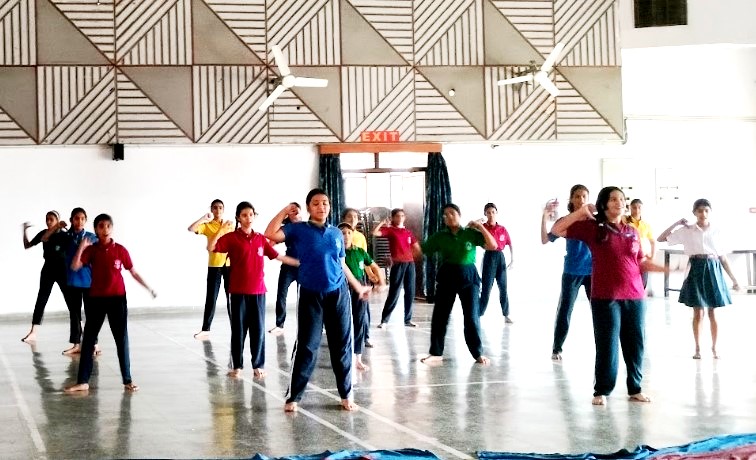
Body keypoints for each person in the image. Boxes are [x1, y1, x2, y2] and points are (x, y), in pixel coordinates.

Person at [552, 186, 665, 405]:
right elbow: (557, 229)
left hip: (634, 296)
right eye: (613, 199)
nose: (618, 202)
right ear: (603, 204)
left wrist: (666, 269)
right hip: (606, 297)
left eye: (621, 199)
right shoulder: (593, 228)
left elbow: (640, 262)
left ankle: (635, 388)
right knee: (607, 345)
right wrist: (582, 211)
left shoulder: (632, 231)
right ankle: (601, 390)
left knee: (636, 345)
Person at [265, 189, 371, 412]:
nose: (321, 207)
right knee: (307, 346)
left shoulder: (336, 233)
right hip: (311, 294)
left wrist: (358, 286)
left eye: (325, 203)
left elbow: (341, 264)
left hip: (338, 294)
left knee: (342, 346)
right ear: (308, 207)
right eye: (315, 203)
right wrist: (285, 210)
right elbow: (270, 234)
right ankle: (294, 397)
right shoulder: (298, 229)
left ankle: (346, 394)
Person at [65, 213, 156, 393]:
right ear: (96, 230)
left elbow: (133, 272)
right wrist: (82, 246)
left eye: (108, 226)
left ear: (112, 228)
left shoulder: (120, 250)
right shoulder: (91, 250)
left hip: (117, 300)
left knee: (121, 339)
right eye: (101, 226)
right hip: (96, 299)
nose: (105, 229)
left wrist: (148, 288)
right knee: (88, 340)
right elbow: (74, 266)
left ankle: (127, 380)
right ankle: (83, 381)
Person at [208, 202, 298, 379]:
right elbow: (211, 248)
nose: (248, 218)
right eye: (244, 215)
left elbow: (277, 256)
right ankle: (237, 366)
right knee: (238, 331)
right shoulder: (231, 238)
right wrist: (220, 231)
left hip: (258, 292)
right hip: (237, 292)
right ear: (238, 218)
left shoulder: (259, 239)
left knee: (258, 330)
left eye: (251, 214)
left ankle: (258, 365)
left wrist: (298, 263)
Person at [657, 199, 739, 360]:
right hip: (695, 268)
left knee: (713, 312)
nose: (703, 214)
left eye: (706, 210)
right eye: (700, 210)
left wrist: (734, 279)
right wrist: (677, 223)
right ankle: (697, 348)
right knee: (697, 312)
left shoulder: (717, 231)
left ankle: (715, 348)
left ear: (710, 212)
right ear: (694, 212)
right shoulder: (687, 230)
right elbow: (661, 238)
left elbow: (723, 258)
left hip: (713, 269)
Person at [418, 203, 497, 365]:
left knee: (472, 317)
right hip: (447, 276)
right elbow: (422, 250)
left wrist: (480, 227)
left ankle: (477, 353)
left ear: (459, 215)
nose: (448, 216)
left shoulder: (470, 233)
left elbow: (492, 245)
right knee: (440, 316)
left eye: (452, 213)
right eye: (445, 214)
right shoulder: (440, 236)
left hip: (469, 278)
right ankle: (436, 353)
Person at [541, 185, 592, 361]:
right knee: (565, 310)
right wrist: (544, 216)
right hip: (572, 272)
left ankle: (606, 347)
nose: (581, 199)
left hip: (593, 272)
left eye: (584, 196)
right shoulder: (566, 220)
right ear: (571, 199)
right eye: (577, 196)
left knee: (600, 310)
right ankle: (557, 348)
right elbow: (545, 239)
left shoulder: (594, 219)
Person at [338, 222, 386, 370]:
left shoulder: (359, 251)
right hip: (342, 288)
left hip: (359, 288)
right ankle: (342, 356)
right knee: (342, 323)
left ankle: (358, 357)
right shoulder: (336, 252)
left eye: (349, 233)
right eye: (342, 233)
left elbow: (374, 266)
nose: (346, 236)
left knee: (359, 321)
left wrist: (381, 282)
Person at [21, 211, 68, 344]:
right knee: (41, 299)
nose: (48, 221)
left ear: (57, 220)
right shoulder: (44, 233)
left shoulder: (64, 235)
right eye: (47, 219)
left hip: (62, 269)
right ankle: (33, 332)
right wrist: (24, 231)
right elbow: (27, 245)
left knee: (70, 300)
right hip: (48, 269)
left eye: (51, 219)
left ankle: (81, 329)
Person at [188, 199, 232, 339]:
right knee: (211, 298)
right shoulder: (208, 226)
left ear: (223, 210)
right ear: (211, 210)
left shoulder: (229, 225)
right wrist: (203, 218)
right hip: (214, 266)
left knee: (232, 298)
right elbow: (191, 229)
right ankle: (206, 329)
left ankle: (236, 327)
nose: (218, 210)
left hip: (230, 265)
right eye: (215, 208)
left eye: (220, 207)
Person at [60, 208, 99, 356]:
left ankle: (94, 344)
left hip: (88, 281)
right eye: (76, 218)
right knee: (74, 314)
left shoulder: (91, 237)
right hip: (72, 281)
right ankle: (76, 344)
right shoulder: (66, 237)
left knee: (91, 314)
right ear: (71, 220)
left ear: (86, 220)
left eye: (83, 218)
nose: (80, 221)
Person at [373, 209, 421, 328]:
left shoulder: (408, 232)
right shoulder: (390, 230)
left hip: (409, 264)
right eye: (398, 216)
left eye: (402, 216)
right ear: (393, 217)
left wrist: (413, 255)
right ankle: (384, 320)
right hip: (398, 265)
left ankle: (407, 319)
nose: (400, 218)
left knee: (410, 292)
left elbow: (416, 247)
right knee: (394, 292)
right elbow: (374, 233)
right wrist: (382, 223)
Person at [269, 202, 301, 335]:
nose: (295, 212)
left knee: (305, 296)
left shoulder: (306, 227)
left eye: (296, 210)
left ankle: (308, 324)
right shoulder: (286, 229)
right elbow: (270, 243)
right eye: (291, 211)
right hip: (288, 266)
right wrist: (278, 257)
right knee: (281, 294)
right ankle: (279, 324)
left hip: (303, 267)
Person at [479, 203, 514, 322]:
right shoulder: (482, 227)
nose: (491, 215)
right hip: (489, 257)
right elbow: (473, 232)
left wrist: (512, 259)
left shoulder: (502, 229)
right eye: (488, 212)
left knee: (503, 287)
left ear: (496, 213)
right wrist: (479, 222)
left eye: (493, 212)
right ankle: (479, 313)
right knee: (486, 288)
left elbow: (510, 243)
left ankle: (506, 314)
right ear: (485, 214)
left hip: (500, 258)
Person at [626, 199, 656, 289]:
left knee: (643, 283)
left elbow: (652, 242)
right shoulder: (625, 222)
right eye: (634, 207)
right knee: (629, 283)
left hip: (642, 257)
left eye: (639, 208)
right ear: (630, 208)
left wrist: (652, 256)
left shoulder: (646, 225)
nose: (637, 210)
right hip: (628, 257)